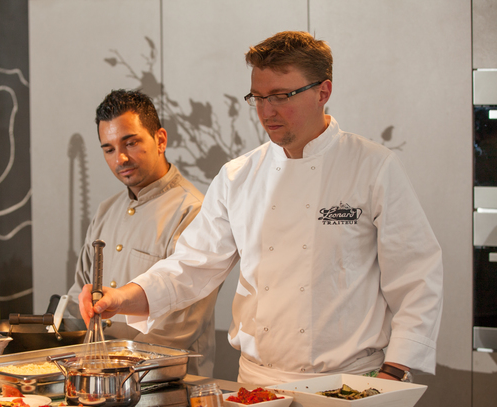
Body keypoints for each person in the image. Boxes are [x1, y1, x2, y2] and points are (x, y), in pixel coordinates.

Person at [79, 32, 443, 386]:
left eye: (281, 96)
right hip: (258, 384)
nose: (267, 111)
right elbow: (191, 266)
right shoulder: (237, 176)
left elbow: (416, 274)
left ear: (323, 91)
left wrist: (395, 371)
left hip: (350, 382)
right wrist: (120, 298)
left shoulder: (372, 167)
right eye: (257, 97)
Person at [65, 89, 219, 376]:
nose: (120, 158)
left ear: (160, 140)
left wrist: (114, 367)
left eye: (131, 143)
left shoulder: (193, 211)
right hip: (101, 377)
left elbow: (181, 324)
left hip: (168, 380)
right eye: (109, 149)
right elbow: (79, 293)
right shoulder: (106, 210)